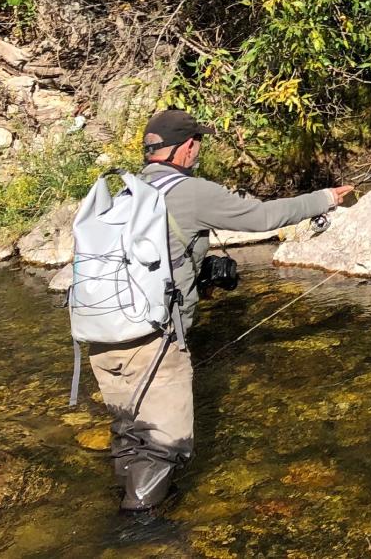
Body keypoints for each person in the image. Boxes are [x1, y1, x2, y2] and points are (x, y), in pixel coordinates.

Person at [87, 108, 354, 512]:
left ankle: (132, 504)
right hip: (152, 342)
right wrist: (325, 198)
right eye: (199, 142)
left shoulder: (128, 191)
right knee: (163, 443)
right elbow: (264, 217)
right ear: (188, 147)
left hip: (103, 336)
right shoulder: (189, 192)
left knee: (130, 432)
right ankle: (138, 532)